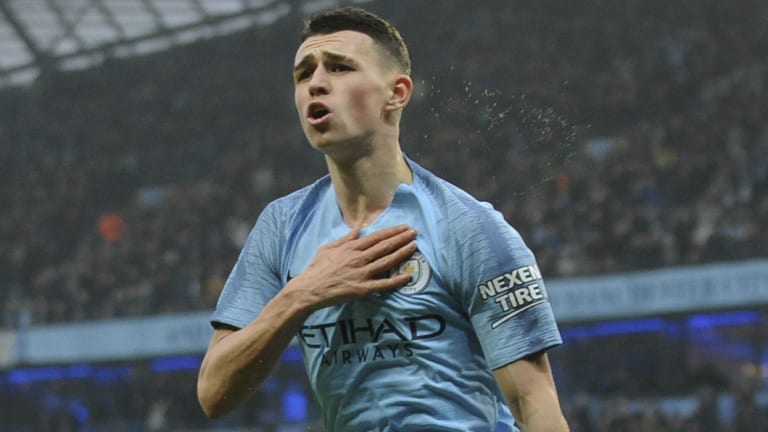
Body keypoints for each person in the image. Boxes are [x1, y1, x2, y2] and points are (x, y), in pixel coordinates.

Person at [197, 6, 569, 431]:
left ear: (397, 93)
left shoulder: (468, 226)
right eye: (303, 74)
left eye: (339, 68)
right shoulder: (281, 226)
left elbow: (532, 399)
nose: (316, 83)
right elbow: (213, 392)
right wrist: (302, 294)